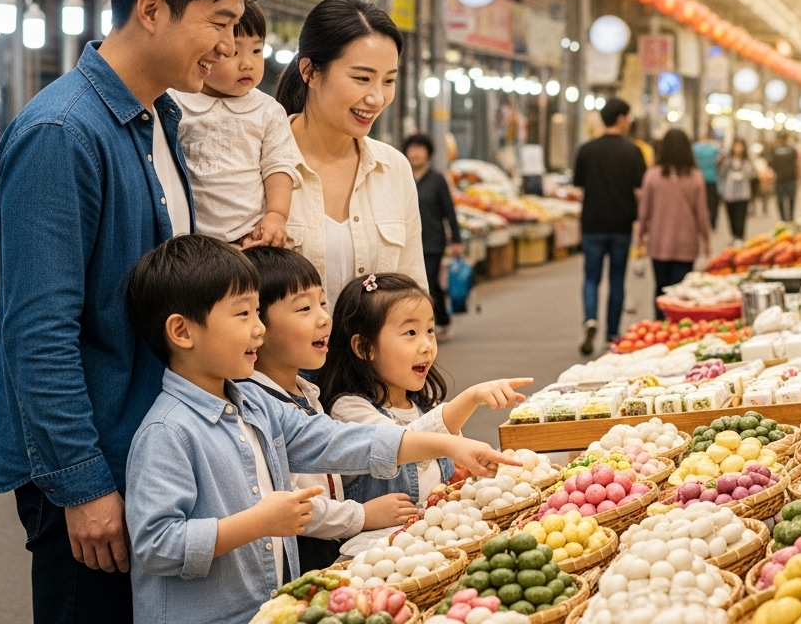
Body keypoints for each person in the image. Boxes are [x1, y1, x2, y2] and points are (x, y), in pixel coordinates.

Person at [0, 0, 268, 623]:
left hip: (157, 450)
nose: (231, 47)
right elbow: (38, 332)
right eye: (220, 22)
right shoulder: (62, 133)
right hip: (98, 462)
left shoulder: (157, 122)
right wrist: (82, 486)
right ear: (151, 10)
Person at [122, 236, 514, 624]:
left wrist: (445, 443)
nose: (259, 329)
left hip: (267, 607)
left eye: (259, 313)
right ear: (182, 332)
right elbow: (157, 545)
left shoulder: (256, 404)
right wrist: (257, 523)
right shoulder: (167, 432)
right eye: (243, 315)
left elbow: (335, 440)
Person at [239, 246, 418, 572]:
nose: (324, 317)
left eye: (322, 303)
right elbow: (290, 504)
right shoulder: (256, 403)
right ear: (257, 325)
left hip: (329, 544)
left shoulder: (307, 392)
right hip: (300, 553)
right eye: (304, 308)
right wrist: (361, 515)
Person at [316, 272, 532, 506]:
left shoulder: (421, 402)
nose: (427, 345)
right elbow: (401, 444)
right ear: (364, 347)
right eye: (411, 333)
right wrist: (470, 398)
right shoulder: (350, 410)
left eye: (430, 330)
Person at [277, 0, 426, 308]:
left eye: (389, 81)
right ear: (311, 72)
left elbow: (412, 292)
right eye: (362, 78)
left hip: (372, 358)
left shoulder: (393, 169)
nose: (377, 97)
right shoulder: (263, 163)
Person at [169, 0, 296, 248]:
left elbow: (278, 166)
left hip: (250, 236)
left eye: (257, 51)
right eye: (235, 52)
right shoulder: (176, 103)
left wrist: (276, 215)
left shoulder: (268, 111)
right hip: (190, 240)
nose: (247, 63)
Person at [572, 99, 647, 355]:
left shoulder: (587, 149)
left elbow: (579, 184)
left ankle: (591, 318)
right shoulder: (633, 151)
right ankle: (612, 335)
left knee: (591, 277)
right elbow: (640, 190)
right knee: (617, 279)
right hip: (621, 224)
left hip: (592, 222)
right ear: (621, 118)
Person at [637, 129, 710, 319]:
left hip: (659, 242)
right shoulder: (695, 177)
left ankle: (658, 326)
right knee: (681, 292)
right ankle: (678, 327)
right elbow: (702, 213)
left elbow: (644, 212)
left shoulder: (652, 176)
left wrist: (640, 238)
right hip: (686, 243)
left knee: (660, 289)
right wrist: (707, 241)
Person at [403, 133, 463, 340]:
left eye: (420, 149)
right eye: (412, 149)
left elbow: (449, 210)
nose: (416, 153)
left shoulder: (437, 180)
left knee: (428, 283)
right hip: (407, 241)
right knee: (414, 285)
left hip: (432, 242)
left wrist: (456, 239)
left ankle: (435, 322)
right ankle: (433, 322)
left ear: (428, 153)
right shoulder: (401, 178)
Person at [718, 138, 756, 242]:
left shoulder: (747, 161)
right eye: (736, 146)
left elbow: (752, 174)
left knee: (741, 217)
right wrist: (721, 190)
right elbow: (722, 175)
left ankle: (740, 237)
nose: (738, 149)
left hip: (743, 193)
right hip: (729, 193)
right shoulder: (727, 161)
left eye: (740, 146)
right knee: (731, 216)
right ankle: (734, 236)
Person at [692, 133, 721, 230]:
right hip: (712, 177)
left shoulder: (695, 148)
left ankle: (700, 223)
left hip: (698, 178)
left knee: (700, 202)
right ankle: (712, 221)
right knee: (712, 202)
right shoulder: (714, 148)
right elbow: (720, 160)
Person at [769, 133, 799, 222]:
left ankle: (783, 220)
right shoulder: (792, 150)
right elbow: (795, 163)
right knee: (791, 201)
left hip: (780, 179)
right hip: (791, 179)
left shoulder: (775, 151)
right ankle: (791, 219)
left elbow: (771, 164)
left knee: (780, 202)